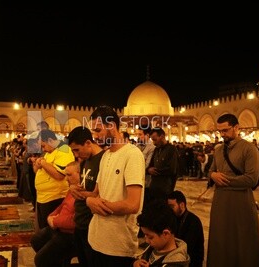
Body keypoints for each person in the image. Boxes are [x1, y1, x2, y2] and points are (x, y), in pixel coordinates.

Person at [85, 105, 145, 267]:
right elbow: (96, 193)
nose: (95, 137)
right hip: (96, 239)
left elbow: (133, 204)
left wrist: (99, 205)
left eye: (98, 130)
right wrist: (89, 201)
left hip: (118, 246)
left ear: (111, 126)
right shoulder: (105, 155)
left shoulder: (132, 155)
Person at [207, 113, 259, 267]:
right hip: (220, 202)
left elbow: (251, 179)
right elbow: (210, 171)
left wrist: (223, 180)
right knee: (221, 238)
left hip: (241, 202)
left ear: (236, 128)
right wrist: (212, 175)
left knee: (242, 241)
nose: (222, 134)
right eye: (220, 131)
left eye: (225, 130)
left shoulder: (249, 149)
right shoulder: (218, 150)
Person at [67, 126, 105, 267]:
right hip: (80, 221)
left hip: (92, 224)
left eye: (77, 149)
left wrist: (82, 194)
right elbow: (82, 186)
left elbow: (100, 195)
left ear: (88, 143)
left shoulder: (104, 160)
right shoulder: (85, 161)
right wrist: (72, 187)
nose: (76, 155)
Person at [31, 161, 80, 267]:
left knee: (41, 260)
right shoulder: (72, 188)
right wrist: (51, 216)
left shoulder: (83, 192)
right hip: (60, 227)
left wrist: (55, 221)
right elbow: (61, 206)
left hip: (71, 234)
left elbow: (76, 219)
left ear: (80, 174)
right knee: (36, 240)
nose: (66, 178)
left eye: (69, 175)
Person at [32, 129, 75, 230]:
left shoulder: (64, 150)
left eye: (43, 146)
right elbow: (38, 171)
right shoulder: (49, 152)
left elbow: (59, 175)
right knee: (43, 228)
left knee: (49, 230)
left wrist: (43, 163)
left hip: (54, 198)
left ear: (50, 140)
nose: (43, 149)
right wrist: (38, 164)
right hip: (43, 197)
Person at [133, 199, 190, 267]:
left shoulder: (176, 263)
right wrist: (135, 263)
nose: (147, 241)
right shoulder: (153, 248)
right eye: (145, 235)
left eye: (150, 237)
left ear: (165, 233)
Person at [167, 190, 204, 267]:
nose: (169, 210)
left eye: (172, 206)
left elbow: (187, 247)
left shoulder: (193, 221)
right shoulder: (172, 218)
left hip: (190, 262)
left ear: (182, 205)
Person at [147, 127, 179, 202]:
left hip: (165, 189)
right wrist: (149, 170)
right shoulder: (156, 149)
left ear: (162, 137)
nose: (154, 143)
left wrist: (155, 171)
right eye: (152, 140)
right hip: (154, 187)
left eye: (155, 140)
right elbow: (151, 165)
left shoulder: (171, 149)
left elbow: (172, 169)